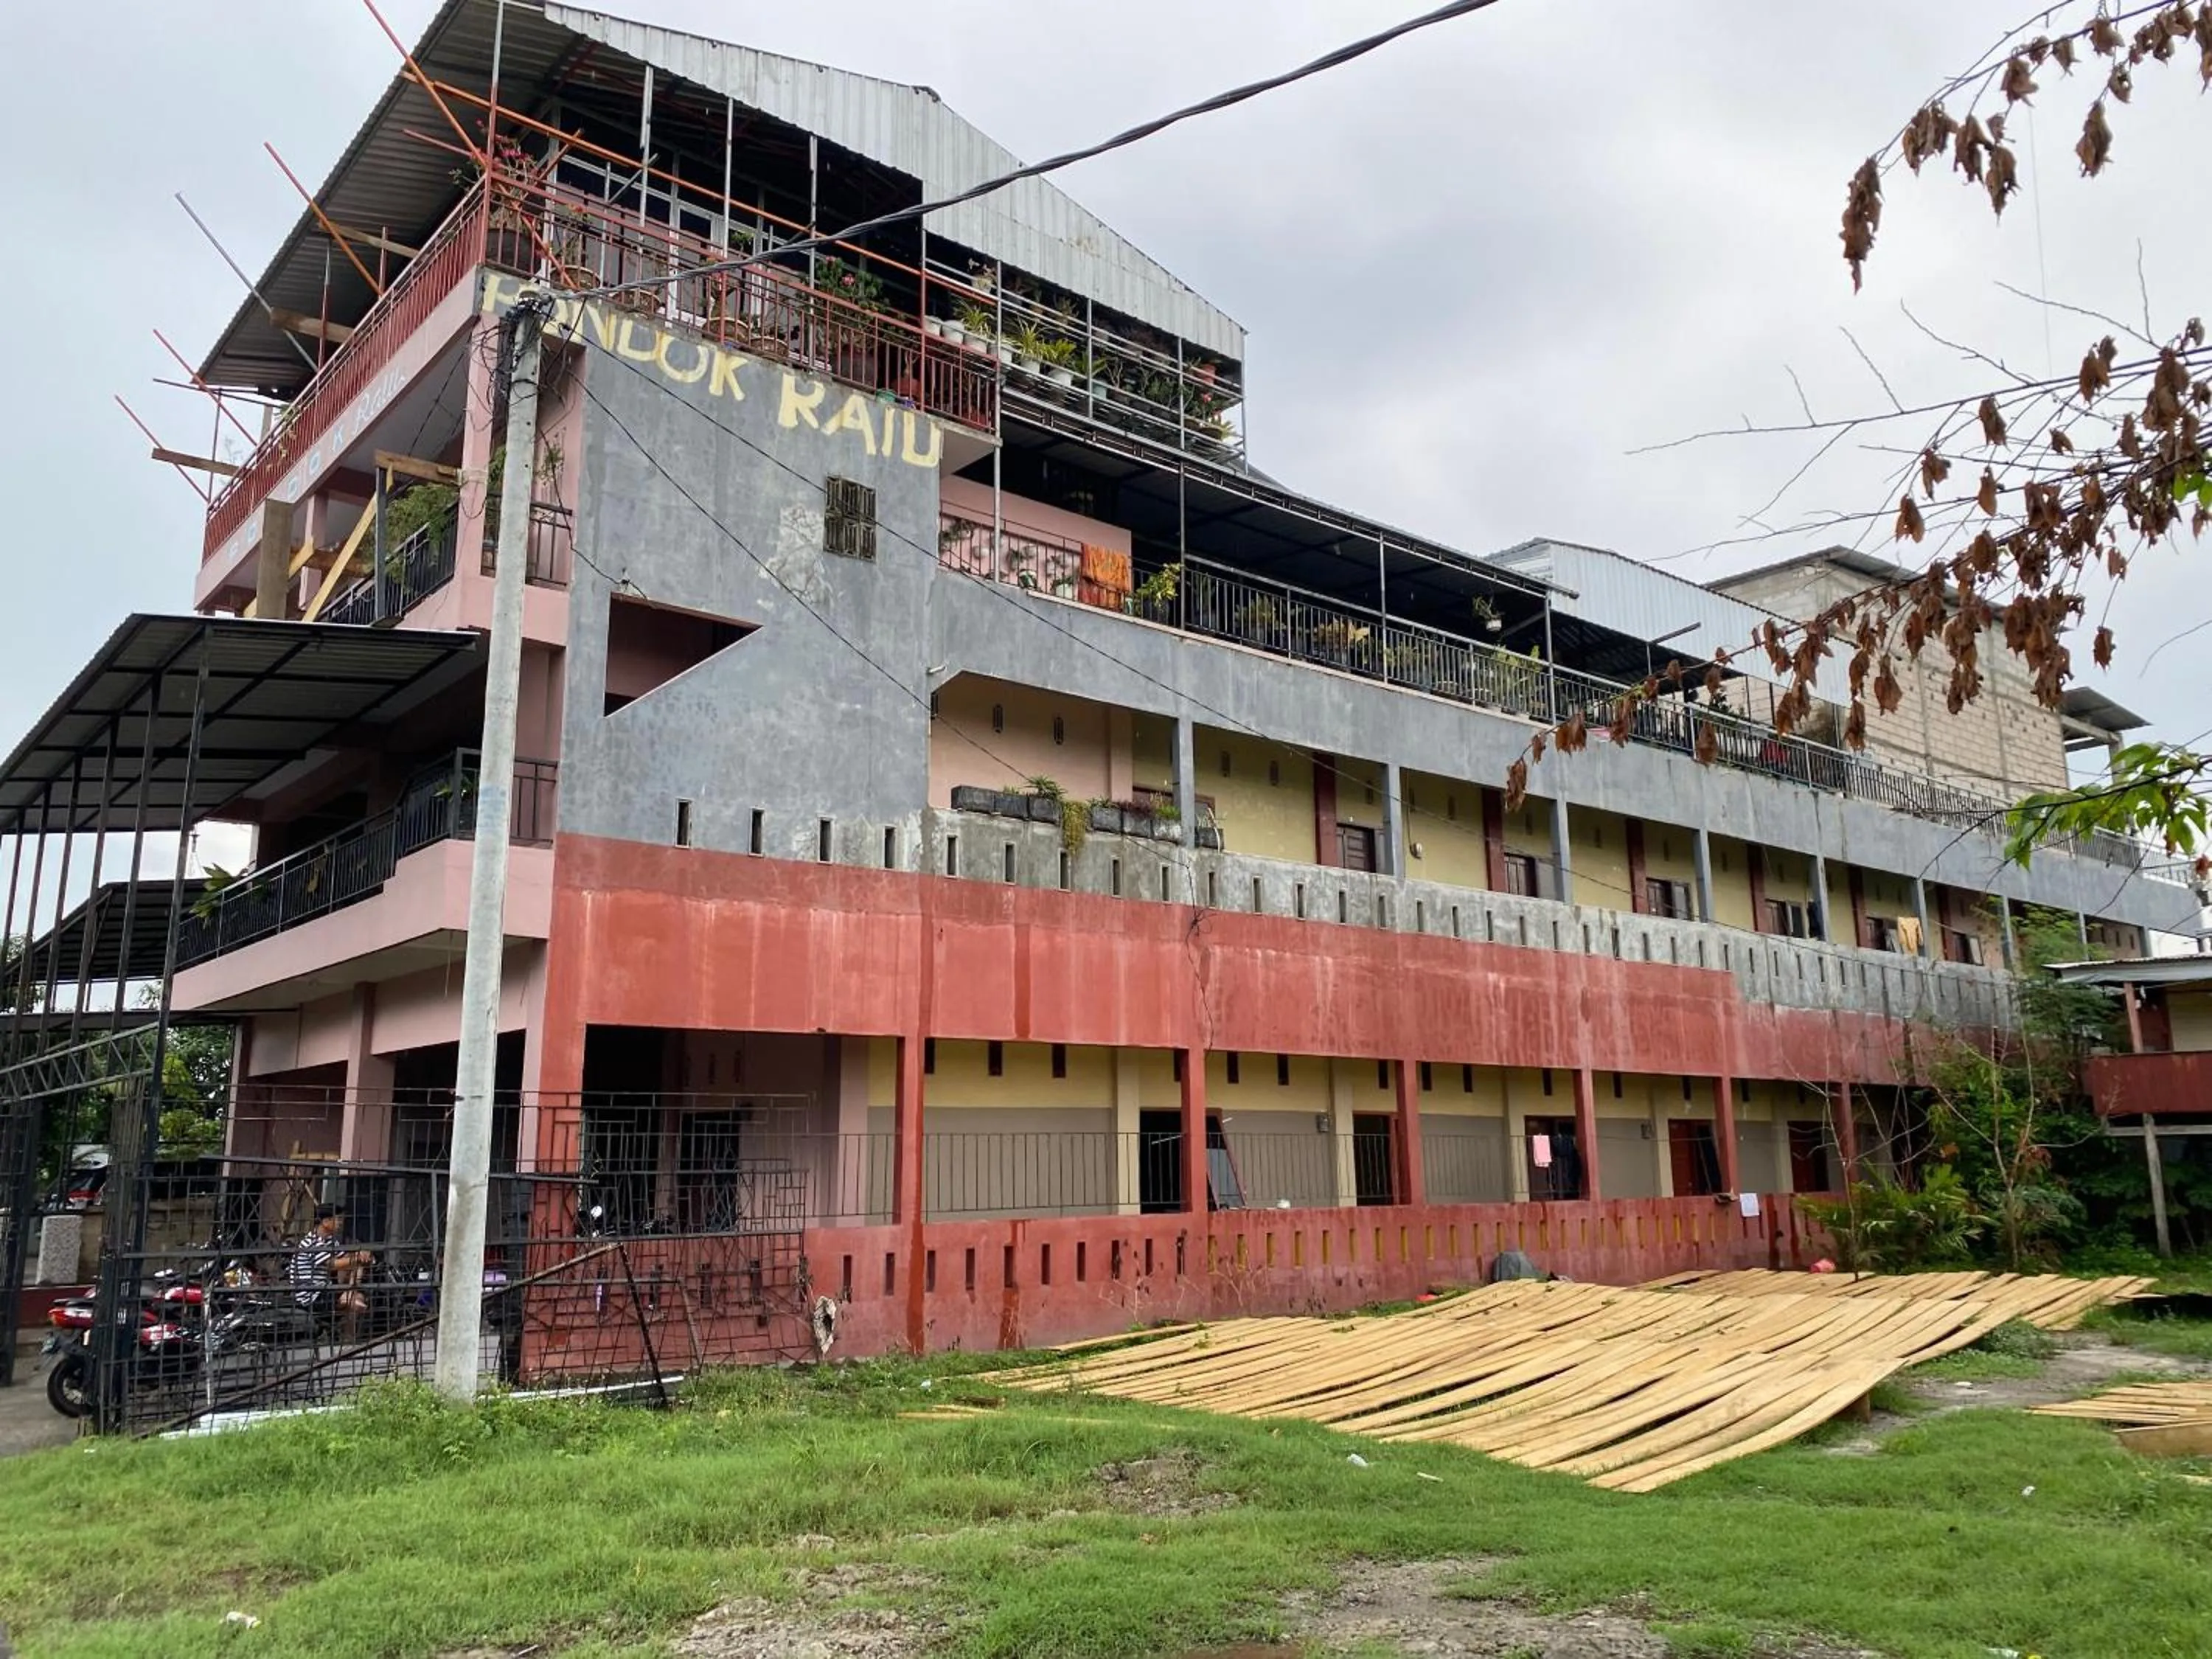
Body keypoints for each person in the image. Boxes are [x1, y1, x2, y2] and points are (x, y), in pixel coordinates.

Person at [290, 1204, 372, 1338]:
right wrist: (357, 1257)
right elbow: (333, 1264)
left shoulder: (330, 1241)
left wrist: (360, 1256)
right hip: (311, 1296)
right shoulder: (311, 1242)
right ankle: (347, 1340)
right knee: (356, 1304)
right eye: (338, 1219)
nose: (340, 1223)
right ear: (326, 1222)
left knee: (358, 1295)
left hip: (325, 1290)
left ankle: (350, 1292)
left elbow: (346, 1259)